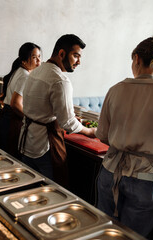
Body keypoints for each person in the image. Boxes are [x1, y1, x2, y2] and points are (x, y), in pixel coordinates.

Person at [96, 36, 153, 239]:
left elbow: (103, 136)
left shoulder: (116, 90)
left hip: (111, 170)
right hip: (146, 177)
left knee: (103, 232)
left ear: (136, 58)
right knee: (132, 236)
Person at [18, 34, 96, 185]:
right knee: (51, 192)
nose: (79, 62)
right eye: (75, 56)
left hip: (27, 141)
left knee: (27, 188)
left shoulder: (35, 72)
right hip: (44, 146)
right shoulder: (60, 80)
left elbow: (42, 108)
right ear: (61, 53)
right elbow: (68, 123)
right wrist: (89, 132)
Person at [0, 42, 41, 158]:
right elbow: (15, 104)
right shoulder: (25, 76)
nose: (38, 61)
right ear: (24, 60)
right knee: (11, 158)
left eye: (39, 57)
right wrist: (29, 119)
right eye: (34, 57)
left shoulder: (19, 71)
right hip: (12, 121)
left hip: (7, 118)